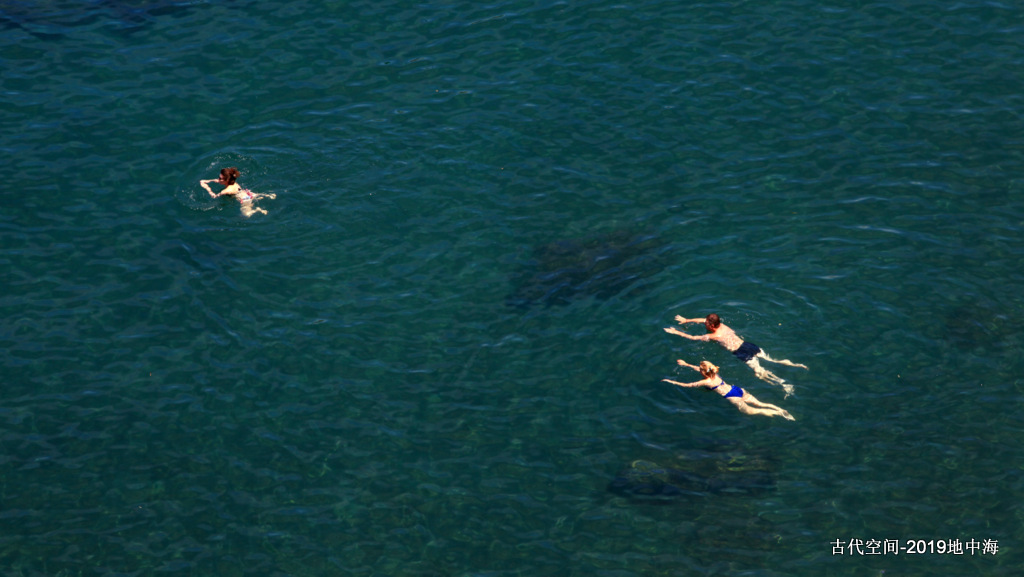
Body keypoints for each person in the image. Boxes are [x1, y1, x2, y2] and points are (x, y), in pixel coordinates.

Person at [664, 313, 806, 396]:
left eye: (707, 324)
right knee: (773, 360)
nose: (705, 324)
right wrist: (687, 320)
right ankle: (797, 365)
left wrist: (676, 332)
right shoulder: (722, 326)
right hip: (748, 345)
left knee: (760, 373)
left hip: (741, 353)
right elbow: (702, 319)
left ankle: (783, 384)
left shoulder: (715, 336)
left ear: (712, 326)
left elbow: (693, 338)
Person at [663, 359, 794, 420]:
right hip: (738, 390)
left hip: (732, 397)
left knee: (753, 411)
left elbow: (688, 385)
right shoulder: (715, 374)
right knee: (760, 403)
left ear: (703, 373)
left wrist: (671, 381)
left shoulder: (706, 381)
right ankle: (780, 409)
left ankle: (778, 414)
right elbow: (700, 369)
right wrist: (687, 364)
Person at [200, 167, 275, 217]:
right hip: (247, 193)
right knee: (255, 196)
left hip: (245, 200)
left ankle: (257, 209)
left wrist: (208, 189)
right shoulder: (233, 182)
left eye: (220, 178)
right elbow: (218, 181)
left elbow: (214, 196)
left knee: (246, 214)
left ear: (227, 180)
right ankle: (268, 195)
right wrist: (207, 181)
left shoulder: (225, 191)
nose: (218, 179)